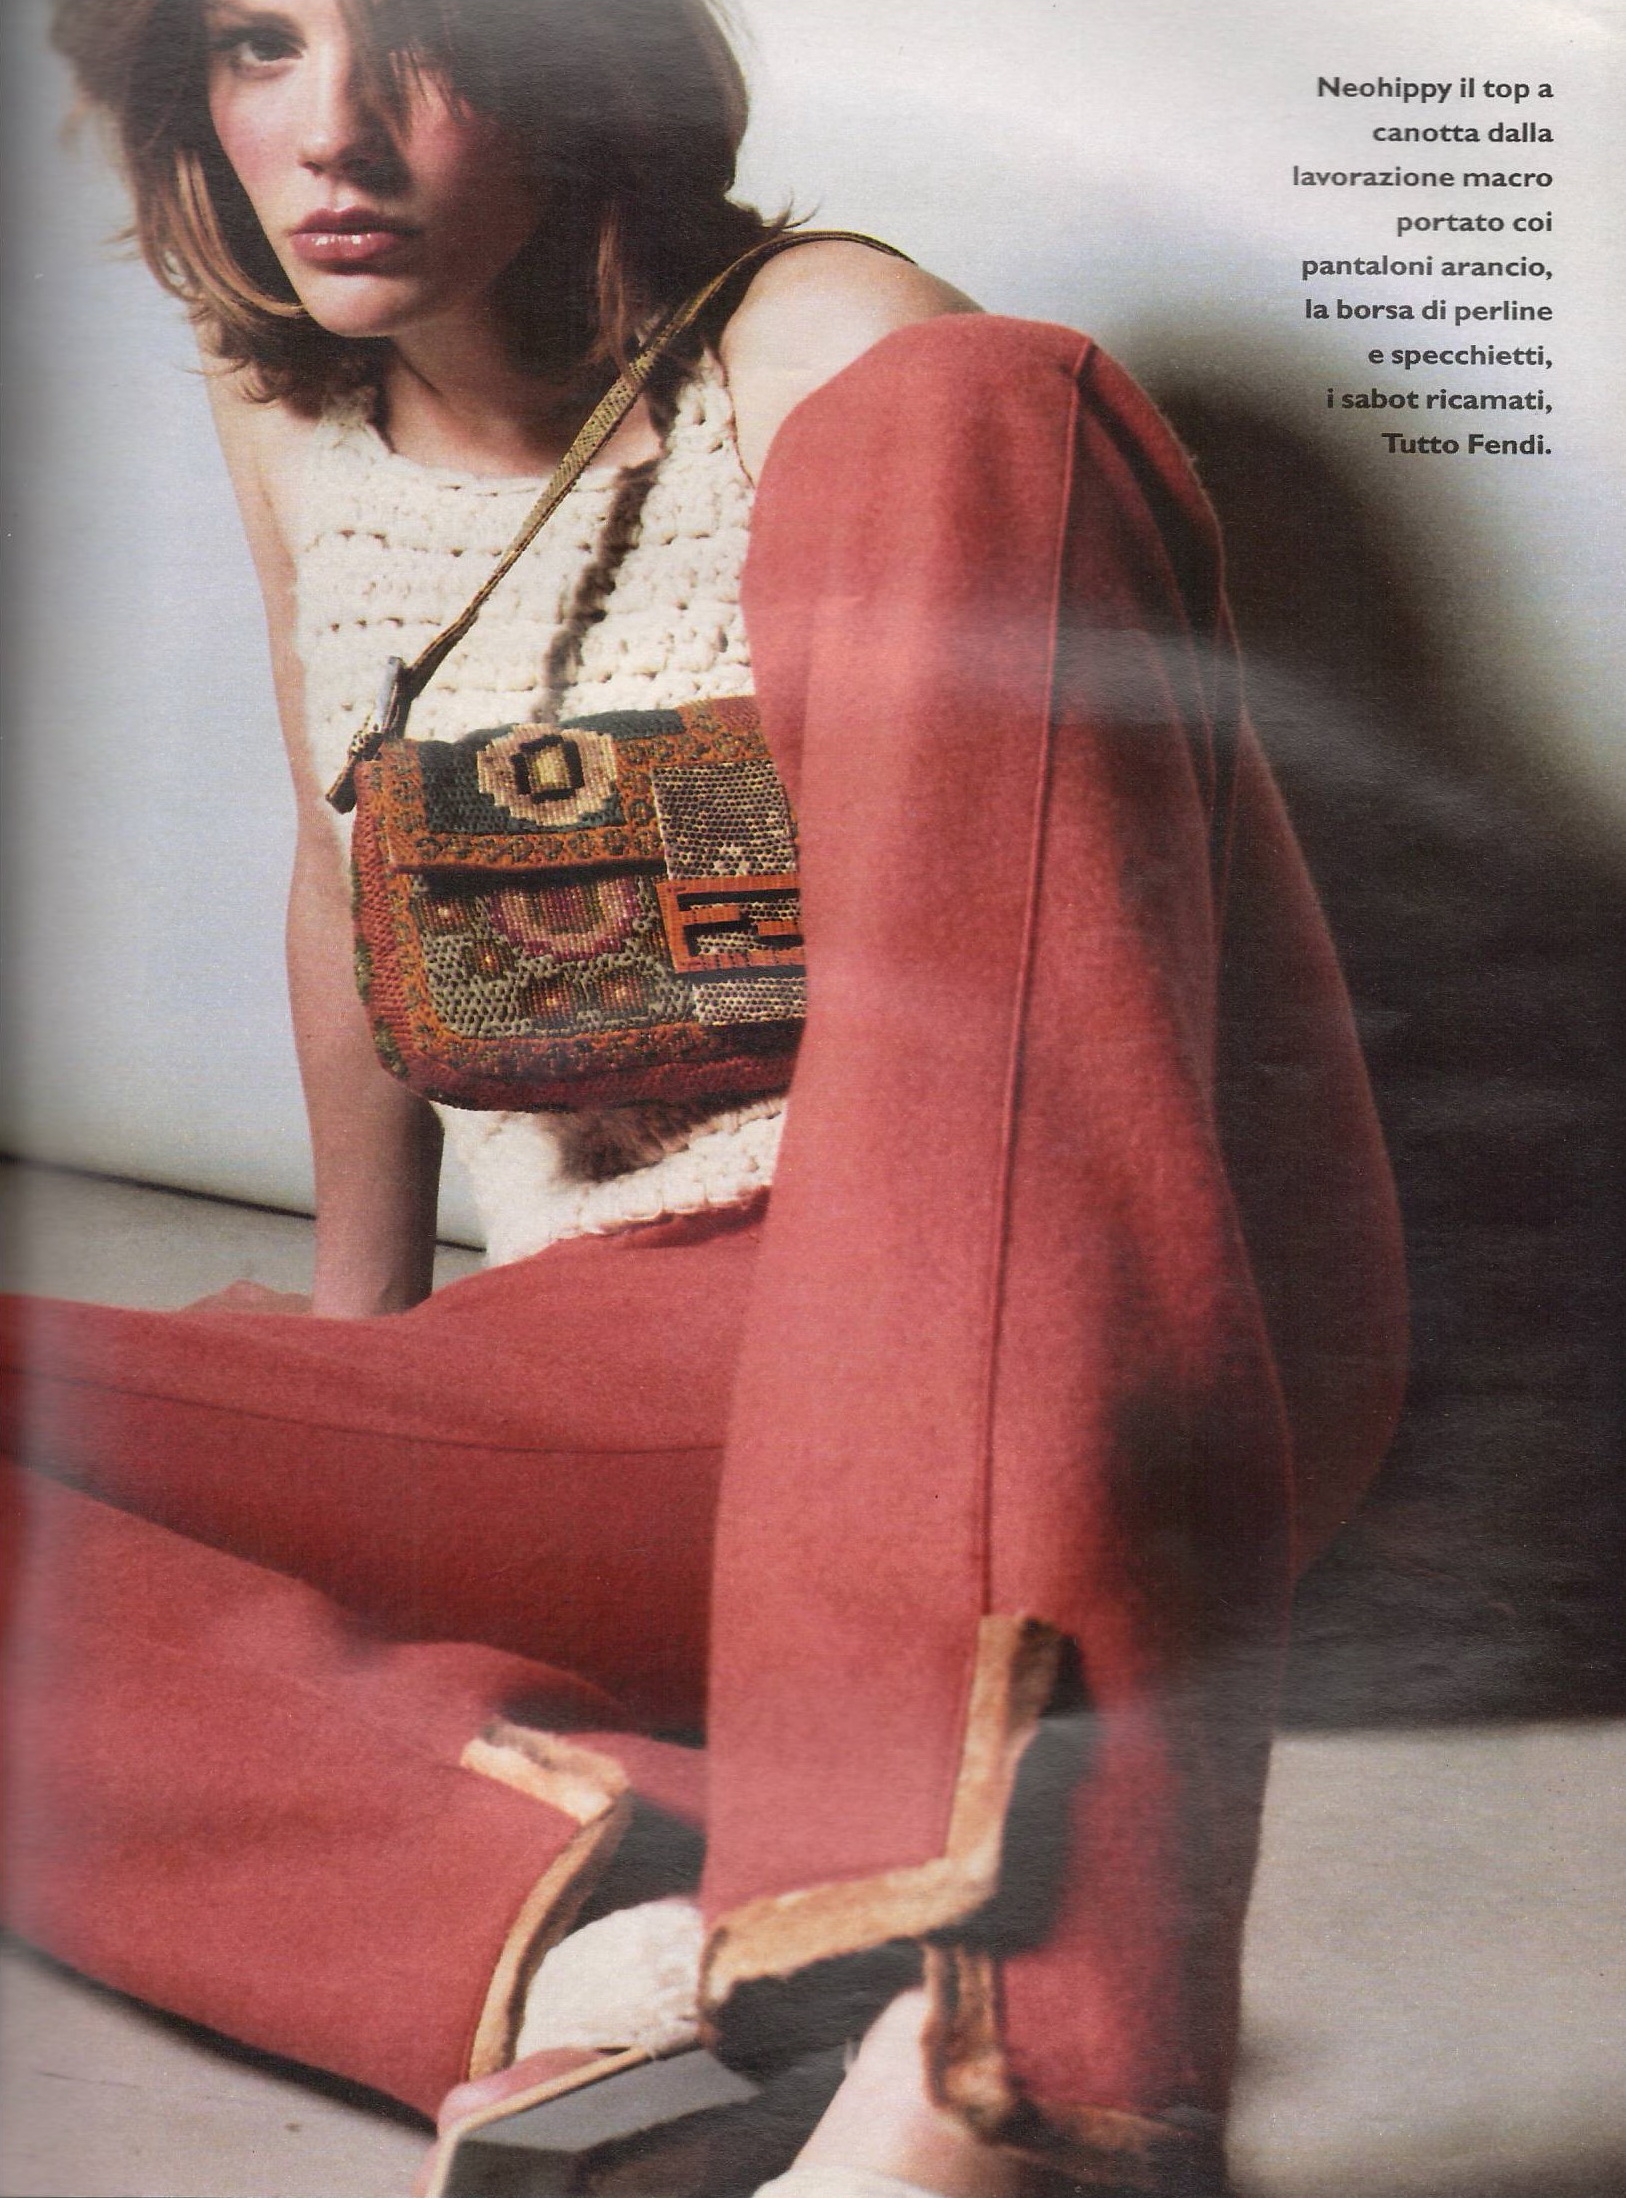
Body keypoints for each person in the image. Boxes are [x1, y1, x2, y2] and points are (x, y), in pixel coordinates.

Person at [3, 3, 1407, 2193]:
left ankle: (1008, 2060)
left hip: (1032, 1303)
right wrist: (367, 1366)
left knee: (982, 403)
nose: (336, 131)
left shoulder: (835, 347)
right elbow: (337, 852)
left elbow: (1038, 944)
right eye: (265, 42)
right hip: (608, 1354)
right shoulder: (287, 394)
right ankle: (615, 1936)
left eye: (430, 38)